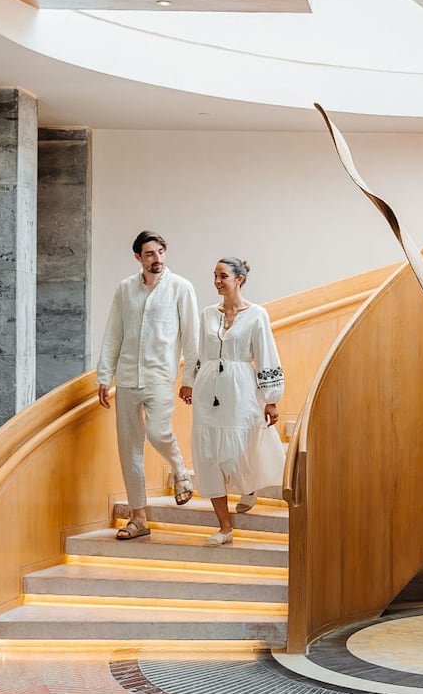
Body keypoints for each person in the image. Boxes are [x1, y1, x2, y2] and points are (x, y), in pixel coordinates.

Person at [96, 230, 200, 540]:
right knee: (129, 450)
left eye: (160, 252)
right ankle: (138, 517)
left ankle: (180, 469)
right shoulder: (125, 289)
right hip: (127, 378)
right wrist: (104, 376)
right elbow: (114, 332)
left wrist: (190, 380)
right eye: (150, 254)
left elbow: (192, 339)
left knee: (158, 432)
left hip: (160, 376)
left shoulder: (181, 288)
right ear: (138, 258)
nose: (157, 259)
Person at [181, 257, 285, 547]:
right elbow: (197, 352)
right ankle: (224, 527)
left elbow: (266, 354)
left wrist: (271, 398)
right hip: (207, 390)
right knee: (210, 454)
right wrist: (189, 381)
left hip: (241, 388)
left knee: (241, 447)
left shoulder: (257, 315)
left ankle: (249, 486)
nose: (216, 281)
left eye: (223, 276)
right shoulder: (206, 314)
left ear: (238, 279)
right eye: (214, 275)